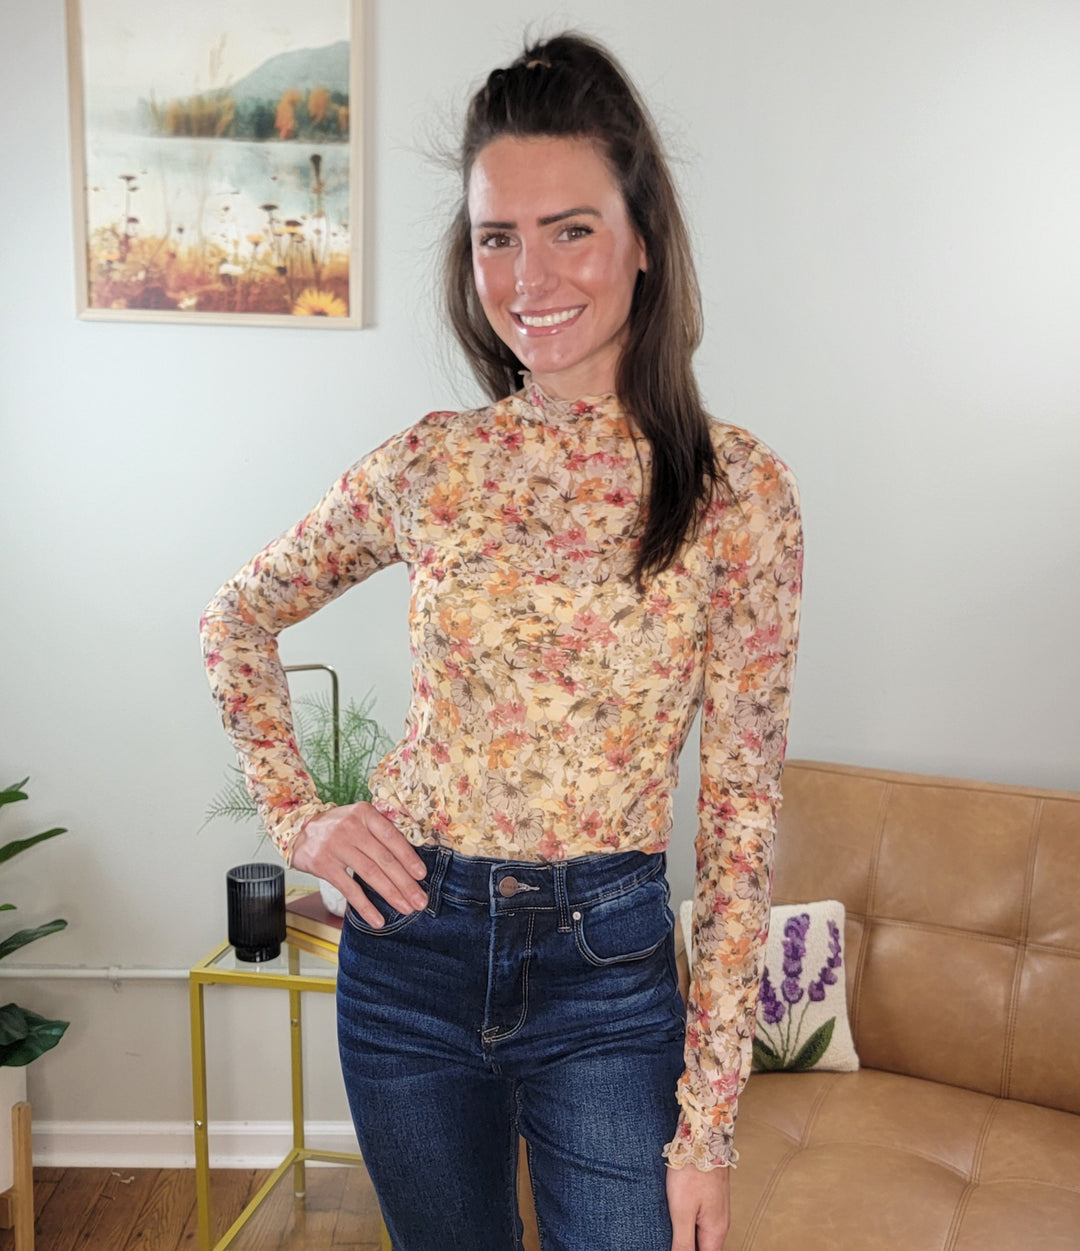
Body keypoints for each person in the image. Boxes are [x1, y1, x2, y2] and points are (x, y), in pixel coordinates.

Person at [201, 31, 801, 1251]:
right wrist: (300, 817)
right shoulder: (435, 463)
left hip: (608, 970)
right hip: (410, 955)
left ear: (643, 235)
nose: (530, 276)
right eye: (496, 237)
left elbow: (741, 815)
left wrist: (707, 1126)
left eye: (570, 229)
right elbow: (237, 617)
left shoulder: (737, 490)